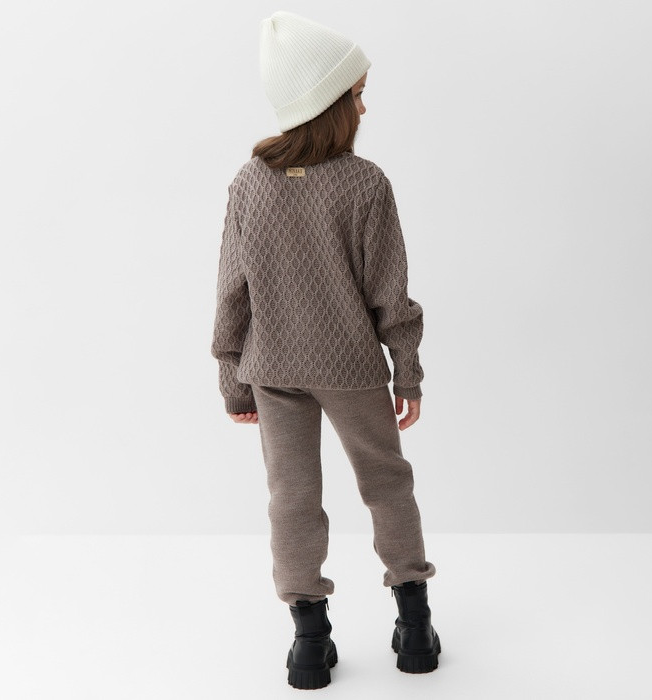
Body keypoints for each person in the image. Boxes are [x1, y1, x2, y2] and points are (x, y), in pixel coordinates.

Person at [211, 10, 441, 689]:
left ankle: (309, 642)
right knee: (387, 483)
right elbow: (390, 294)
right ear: (328, 102)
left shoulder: (249, 183)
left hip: (274, 369)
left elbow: (231, 292)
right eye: (357, 94)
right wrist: (407, 374)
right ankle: (416, 626)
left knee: (291, 498)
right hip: (350, 367)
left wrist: (233, 379)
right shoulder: (365, 184)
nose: (365, 106)